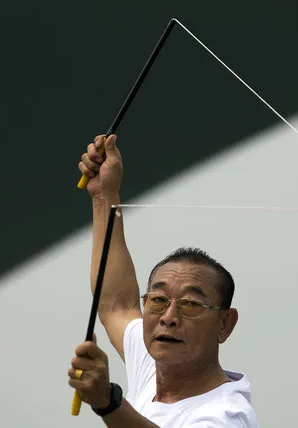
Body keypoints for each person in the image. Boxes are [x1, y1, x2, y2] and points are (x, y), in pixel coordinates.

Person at [68, 134, 258, 427]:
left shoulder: (227, 416)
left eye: (191, 305)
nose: (168, 317)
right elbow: (116, 305)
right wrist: (105, 196)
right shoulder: (153, 362)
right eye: (157, 300)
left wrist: (108, 401)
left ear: (224, 324)